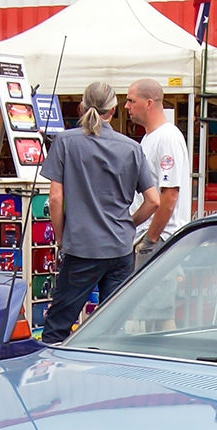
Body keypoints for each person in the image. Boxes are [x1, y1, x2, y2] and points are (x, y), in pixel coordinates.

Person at [40, 81, 160, 345]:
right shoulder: (131, 147)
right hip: (119, 247)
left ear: (81, 107)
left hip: (82, 247)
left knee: (57, 328)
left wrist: (61, 238)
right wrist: (128, 224)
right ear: (114, 110)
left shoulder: (65, 141)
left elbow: (56, 197)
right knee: (112, 331)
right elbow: (153, 201)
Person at [125, 77, 190, 269]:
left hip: (161, 237)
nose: (127, 106)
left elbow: (169, 195)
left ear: (149, 103)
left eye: (131, 100)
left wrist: (151, 240)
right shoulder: (149, 137)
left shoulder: (167, 137)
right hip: (150, 236)